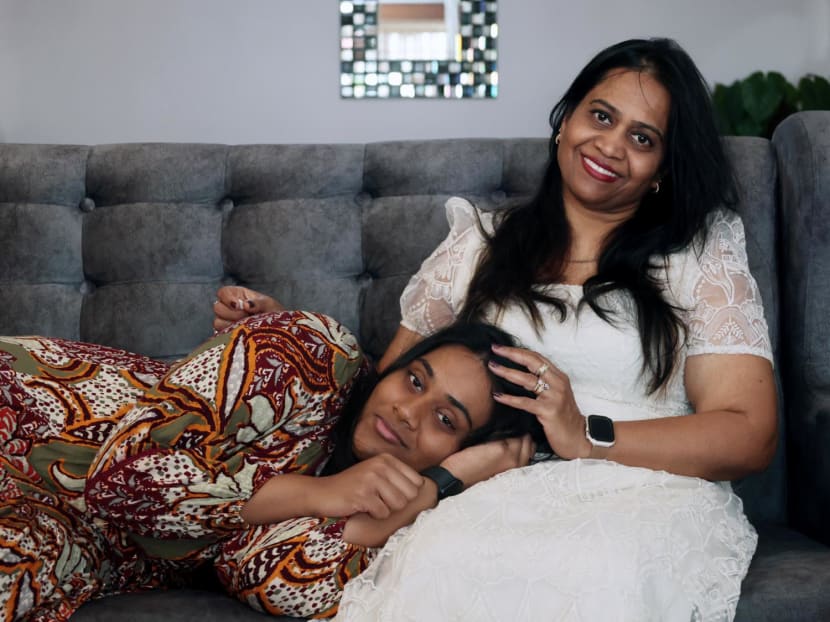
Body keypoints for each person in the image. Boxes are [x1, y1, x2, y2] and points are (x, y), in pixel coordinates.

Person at [217, 37, 777, 621]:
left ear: (662, 168)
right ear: (565, 121)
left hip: (643, 491)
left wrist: (586, 435)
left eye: (643, 138)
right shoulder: (478, 245)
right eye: (601, 116)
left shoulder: (698, 258)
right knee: (443, 564)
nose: (610, 146)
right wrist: (287, 334)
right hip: (484, 491)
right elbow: (393, 384)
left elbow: (749, 432)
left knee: (595, 571)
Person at [0, 310, 541, 621]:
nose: (406, 410)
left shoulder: (373, 520)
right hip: (33, 420)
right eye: (414, 380)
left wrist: (436, 489)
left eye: (445, 421)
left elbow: (280, 581)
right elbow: (122, 479)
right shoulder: (314, 355)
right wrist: (316, 495)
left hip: (78, 537)